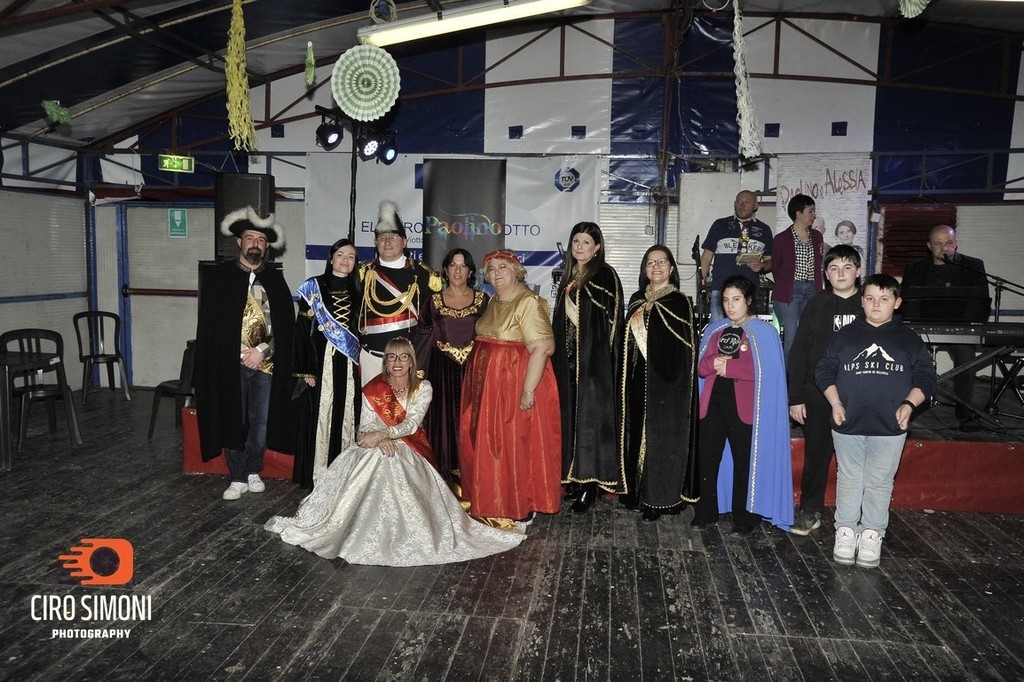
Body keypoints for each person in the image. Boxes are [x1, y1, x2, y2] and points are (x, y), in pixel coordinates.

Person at [265, 337, 525, 566]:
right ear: (386, 363)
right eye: (392, 357)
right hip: (375, 444)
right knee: (375, 460)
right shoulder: (373, 388)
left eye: (403, 357)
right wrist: (379, 439)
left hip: (409, 447)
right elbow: (366, 425)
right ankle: (350, 528)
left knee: (389, 461)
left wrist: (384, 435)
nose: (397, 362)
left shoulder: (423, 388)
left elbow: (411, 424)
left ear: (411, 362)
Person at [816, 274, 937, 568]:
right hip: (848, 422)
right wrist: (835, 402)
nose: (876, 305)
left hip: (890, 427)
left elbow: (927, 378)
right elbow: (823, 371)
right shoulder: (844, 336)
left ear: (897, 302)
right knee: (849, 478)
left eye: (884, 299)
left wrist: (909, 404)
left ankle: (872, 533)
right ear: (862, 301)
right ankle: (846, 530)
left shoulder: (909, 339)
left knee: (880, 482)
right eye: (869, 298)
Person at [194, 206, 296, 501]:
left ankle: (253, 470)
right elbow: (212, 326)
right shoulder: (220, 277)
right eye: (250, 238)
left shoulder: (275, 279)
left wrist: (261, 352)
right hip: (230, 363)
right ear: (239, 242)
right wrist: (241, 353)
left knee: (260, 423)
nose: (255, 244)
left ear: (267, 247)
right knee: (232, 419)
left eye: (261, 240)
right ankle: (237, 475)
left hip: (266, 364)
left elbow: (285, 327)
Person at [459, 250, 562, 524]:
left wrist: (528, 390)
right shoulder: (494, 300)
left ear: (516, 270)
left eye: (502, 267)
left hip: (513, 384)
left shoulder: (528, 302)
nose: (496, 273)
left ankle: (522, 502)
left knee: (514, 443)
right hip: (490, 387)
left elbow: (543, 348)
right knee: (494, 445)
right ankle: (495, 498)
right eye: (491, 269)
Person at [692, 275, 792, 536]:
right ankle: (706, 512)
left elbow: (768, 371)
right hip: (713, 404)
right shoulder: (715, 330)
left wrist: (730, 367)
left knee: (745, 463)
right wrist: (715, 364)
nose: (730, 305)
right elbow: (702, 366)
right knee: (707, 459)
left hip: (745, 408)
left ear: (748, 300)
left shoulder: (764, 332)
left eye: (736, 299)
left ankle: (745, 517)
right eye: (726, 300)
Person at [786, 245, 863, 536]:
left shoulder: (869, 304)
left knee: (857, 459)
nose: (840, 274)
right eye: (833, 268)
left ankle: (859, 515)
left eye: (847, 267)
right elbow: (799, 352)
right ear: (825, 275)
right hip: (817, 393)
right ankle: (810, 511)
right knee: (816, 455)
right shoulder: (816, 305)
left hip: (858, 394)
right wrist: (796, 397)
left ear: (858, 271)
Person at [619, 245, 699, 521]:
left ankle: (659, 500)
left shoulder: (680, 302)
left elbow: (684, 350)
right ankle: (636, 492)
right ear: (644, 269)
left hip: (667, 383)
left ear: (671, 268)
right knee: (635, 434)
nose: (656, 267)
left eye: (662, 262)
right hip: (637, 380)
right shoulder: (636, 300)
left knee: (661, 439)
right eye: (650, 263)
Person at [552, 221, 625, 512]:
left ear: (596, 247)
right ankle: (573, 479)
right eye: (576, 241)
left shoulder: (605, 275)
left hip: (593, 364)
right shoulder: (569, 277)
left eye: (586, 242)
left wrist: (600, 360)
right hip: (568, 362)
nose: (580, 247)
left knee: (590, 423)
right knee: (570, 418)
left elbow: (611, 323)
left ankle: (589, 486)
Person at [291, 238, 362, 490]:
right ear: (331, 258)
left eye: (351, 256)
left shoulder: (360, 290)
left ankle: (343, 475)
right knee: (321, 415)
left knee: (346, 413)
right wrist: (305, 369)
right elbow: (301, 330)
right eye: (340, 255)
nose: (345, 260)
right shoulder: (313, 287)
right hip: (320, 362)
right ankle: (318, 474)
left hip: (349, 362)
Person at [902, 224, 989, 425]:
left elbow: (981, 301)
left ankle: (963, 407)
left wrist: (966, 325)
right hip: (922, 327)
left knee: (966, 359)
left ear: (956, 243)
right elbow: (907, 302)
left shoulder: (972, 266)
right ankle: (911, 405)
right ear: (929, 246)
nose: (945, 248)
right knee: (908, 356)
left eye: (949, 243)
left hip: (959, 327)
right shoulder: (915, 268)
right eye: (938, 244)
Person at [419, 248, 488, 482]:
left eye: (463, 265)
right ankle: (444, 475)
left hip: (474, 371)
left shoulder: (483, 301)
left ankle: (474, 474)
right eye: (453, 265)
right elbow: (423, 340)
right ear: (446, 270)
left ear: (471, 271)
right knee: (443, 422)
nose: (458, 271)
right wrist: (418, 375)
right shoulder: (432, 302)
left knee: (474, 420)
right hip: (441, 372)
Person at [357, 200, 442, 385]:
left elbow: (435, 323)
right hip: (371, 359)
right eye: (382, 237)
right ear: (375, 242)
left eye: (393, 236)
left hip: (408, 362)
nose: (387, 241)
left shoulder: (425, 275)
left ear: (405, 241)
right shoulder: (362, 273)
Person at [700, 190, 773, 323]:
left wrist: (762, 266)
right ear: (734, 204)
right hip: (721, 290)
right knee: (719, 329)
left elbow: (770, 261)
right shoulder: (720, 225)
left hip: (749, 292)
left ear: (755, 205)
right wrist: (702, 283)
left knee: (746, 330)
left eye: (746, 202)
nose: (741, 205)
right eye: (739, 202)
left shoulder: (764, 230)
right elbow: (706, 257)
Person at [771, 193, 825, 359]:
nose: (813, 215)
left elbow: (819, 263)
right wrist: (786, 284)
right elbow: (776, 268)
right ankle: (788, 373)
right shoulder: (781, 239)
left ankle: (804, 371)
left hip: (811, 289)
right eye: (810, 211)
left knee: (809, 335)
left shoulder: (817, 236)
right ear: (798, 213)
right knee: (791, 336)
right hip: (790, 290)